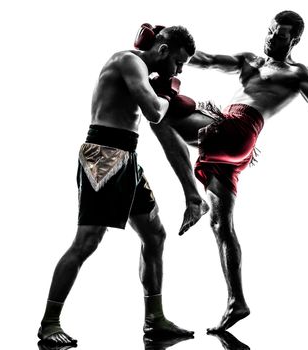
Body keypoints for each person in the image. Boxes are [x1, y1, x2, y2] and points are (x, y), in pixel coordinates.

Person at [150, 10, 308, 332]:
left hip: (237, 127)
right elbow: (206, 60)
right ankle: (237, 301)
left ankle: (190, 194)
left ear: (295, 40)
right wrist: (165, 40)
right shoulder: (249, 60)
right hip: (235, 148)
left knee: (160, 108)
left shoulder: (296, 72)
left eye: (280, 35)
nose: (271, 38)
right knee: (221, 224)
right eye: (270, 31)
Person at [38, 24, 196, 346]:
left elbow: (166, 131)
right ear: (163, 51)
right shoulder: (129, 62)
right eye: (178, 63)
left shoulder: (143, 71)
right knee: (87, 241)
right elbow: (154, 111)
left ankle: (155, 319)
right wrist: (168, 94)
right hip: (103, 155)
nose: (179, 71)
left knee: (155, 235)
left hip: (127, 155)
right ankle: (49, 323)